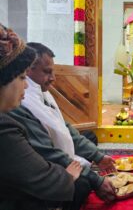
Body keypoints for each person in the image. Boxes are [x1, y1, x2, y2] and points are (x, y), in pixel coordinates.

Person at [8, 42, 116, 208]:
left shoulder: (38, 93)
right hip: (25, 188)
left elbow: (64, 128)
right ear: (27, 70)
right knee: (81, 185)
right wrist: (91, 179)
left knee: (88, 137)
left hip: (44, 161)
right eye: (21, 77)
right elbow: (48, 153)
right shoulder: (16, 109)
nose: (53, 78)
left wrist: (97, 156)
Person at [0, 24, 82, 210]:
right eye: (21, 78)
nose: (27, 86)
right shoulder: (3, 128)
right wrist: (68, 176)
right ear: (3, 80)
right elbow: (43, 178)